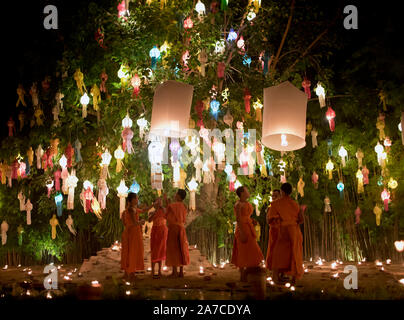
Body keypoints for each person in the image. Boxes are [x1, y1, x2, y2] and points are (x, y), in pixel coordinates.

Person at [268, 183, 304, 285]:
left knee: (278, 253)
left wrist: (280, 222)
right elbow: (301, 219)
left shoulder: (275, 204)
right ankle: (294, 279)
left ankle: (275, 277)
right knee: (294, 253)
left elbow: (270, 219)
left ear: (282, 192)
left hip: (283, 230)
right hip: (294, 231)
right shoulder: (295, 204)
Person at [231, 186, 264, 282]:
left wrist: (251, 220)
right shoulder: (238, 204)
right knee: (242, 250)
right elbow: (238, 219)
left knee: (251, 249)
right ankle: (242, 274)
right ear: (242, 193)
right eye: (247, 191)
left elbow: (246, 216)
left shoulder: (247, 203)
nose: (248, 192)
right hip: (242, 228)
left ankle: (248, 272)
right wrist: (241, 232)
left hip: (249, 227)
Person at [120, 192, 154, 281]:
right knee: (132, 251)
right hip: (132, 233)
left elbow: (144, 210)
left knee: (129, 252)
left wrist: (153, 205)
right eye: (136, 198)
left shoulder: (131, 210)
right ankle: (131, 274)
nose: (137, 200)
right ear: (131, 200)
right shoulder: (131, 210)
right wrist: (141, 222)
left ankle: (128, 273)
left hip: (129, 232)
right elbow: (135, 222)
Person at [164, 189, 190, 278]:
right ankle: (181, 272)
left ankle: (174, 272)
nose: (175, 195)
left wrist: (166, 202)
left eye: (176, 194)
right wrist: (168, 203)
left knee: (173, 249)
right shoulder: (184, 206)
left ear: (179, 196)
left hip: (174, 229)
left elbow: (167, 214)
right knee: (181, 248)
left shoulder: (173, 205)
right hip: (181, 228)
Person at [148, 197, 168, 279]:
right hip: (155, 231)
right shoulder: (152, 211)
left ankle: (159, 271)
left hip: (163, 230)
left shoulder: (164, 210)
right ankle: (153, 271)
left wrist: (163, 209)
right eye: (158, 201)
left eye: (161, 201)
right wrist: (155, 211)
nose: (159, 203)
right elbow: (149, 220)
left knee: (161, 250)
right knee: (154, 250)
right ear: (155, 203)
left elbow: (168, 217)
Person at [265, 189, 281, 272]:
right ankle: (273, 268)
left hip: (282, 230)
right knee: (273, 249)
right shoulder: (270, 207)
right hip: (274, 230)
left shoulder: (283, 206)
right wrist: (274, 218)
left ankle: (281, 271)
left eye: (276, 195)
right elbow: (267, 220)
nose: (274, 197)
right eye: (273, 195)